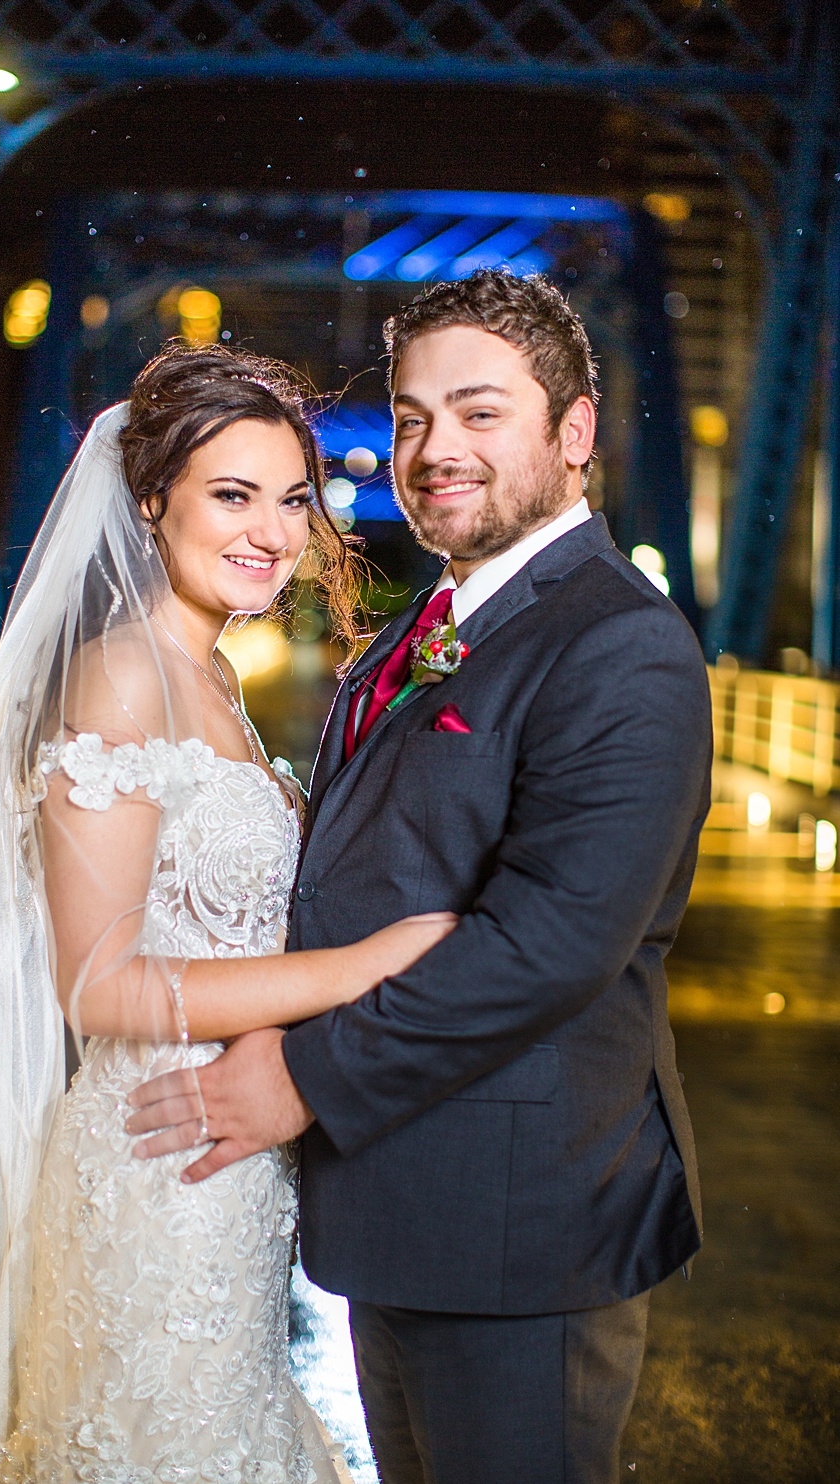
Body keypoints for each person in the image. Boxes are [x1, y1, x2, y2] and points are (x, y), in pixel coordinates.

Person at [127, 271, 714, 1484]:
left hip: (519, 1223)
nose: (434, 448)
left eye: (479, 411)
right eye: (409, 416)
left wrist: (300, 1073)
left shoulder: (622, 644)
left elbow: (550, 943)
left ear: (574, 432)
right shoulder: (420, 626)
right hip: (400, 1203)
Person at [0, 344, 454, 1483]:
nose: (271, 531)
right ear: (149, 502)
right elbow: (102, 983)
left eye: (291, 499)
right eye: (232, 495)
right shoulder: (124, 676)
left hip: (227, 1164)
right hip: (154, 1159)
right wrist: (365, 967)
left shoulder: (209, 671)